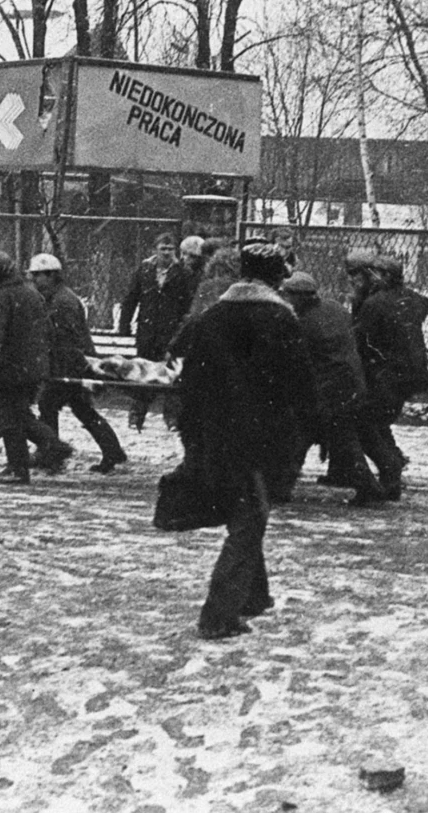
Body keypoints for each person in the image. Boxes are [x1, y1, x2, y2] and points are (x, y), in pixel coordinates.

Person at [176, 241, 316, 640]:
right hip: (260, 437)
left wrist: (194, 438)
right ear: (277, 277)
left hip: (215, 433)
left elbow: (192, 382)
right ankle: (218, 616)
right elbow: (298, 387)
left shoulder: (213, 316)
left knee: (247, 512)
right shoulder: (280, 318)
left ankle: (255, 596)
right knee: (250, 518)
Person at [280, 271, 386, 506]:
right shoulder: (334, 308)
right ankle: (375, 484)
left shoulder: (304, 323)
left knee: (315, 438)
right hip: (350, 384)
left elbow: (299, 360)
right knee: (336, 439)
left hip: (329, 391)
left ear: (298, 296)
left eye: (287, 295)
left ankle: (370, 487)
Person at [0, 250, 73, 485]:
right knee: (20, 414)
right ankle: (52, 446)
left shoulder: (3, 296)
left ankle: (19, 467)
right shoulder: (30, 292)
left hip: (11, 367)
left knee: (7, 418)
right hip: (33, 366)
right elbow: (46, 329)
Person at [28, 253, 128, 474]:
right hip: (76, 363)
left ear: (51, 275)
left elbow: (66, 340)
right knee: (83, 410)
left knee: (48, 404)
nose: (34, 280)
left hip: (71, 365)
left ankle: (50, 452)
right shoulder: (59, 297)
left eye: (38, 275)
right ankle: (112, 451)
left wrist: (64, 368)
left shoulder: (62, 302)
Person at [353, 255, 428, 500]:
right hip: (412, 371)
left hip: (385, 373)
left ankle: (390, 470)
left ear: (385, 276)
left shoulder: (375, 303)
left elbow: (361, 339)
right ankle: (392, 463)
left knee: (366, 423)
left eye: (374, 274)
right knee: (378, 420)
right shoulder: (416, 300)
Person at [118, 232, 196, 430]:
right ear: (155, 250)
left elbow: (188, 305)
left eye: (170, 249)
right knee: (143, 373)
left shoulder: (183, 273)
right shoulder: (144, 270)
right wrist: (124, 325)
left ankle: (171, 419)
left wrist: (183, 331)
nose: (167, 253)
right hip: (147, 330)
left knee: (172, 375)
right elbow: (131, 298)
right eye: (163, 249)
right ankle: (136, 417)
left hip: (171, 332)